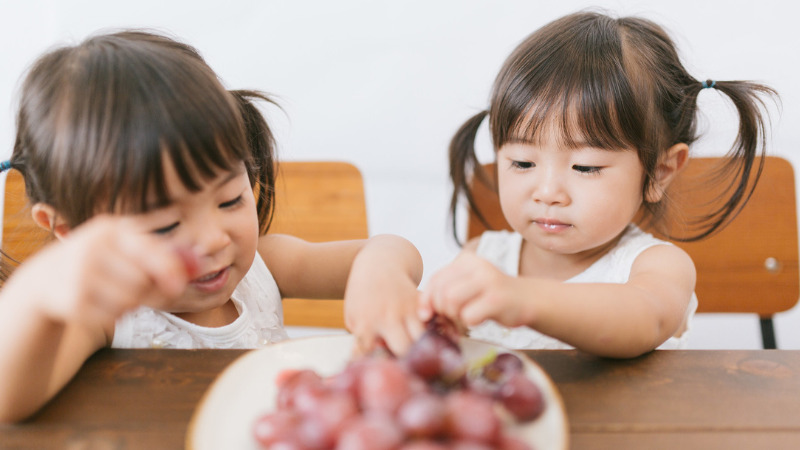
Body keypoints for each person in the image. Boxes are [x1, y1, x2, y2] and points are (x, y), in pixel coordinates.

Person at [0, 30, 424, 423]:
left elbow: (391, 250)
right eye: (166, 226)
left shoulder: (266, 265)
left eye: (230, 200)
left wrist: (380, 271)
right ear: (71, 232)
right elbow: (8, 400)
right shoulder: (108, 317)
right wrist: (37, 294)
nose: (213, 239)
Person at [418, 11, 777, 358]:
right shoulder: (484, 258)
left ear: (660, 172)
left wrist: (521, 299)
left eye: (585, 167)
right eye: (523, 163)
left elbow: (644, 318)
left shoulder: (657, 267)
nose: (547, 193)